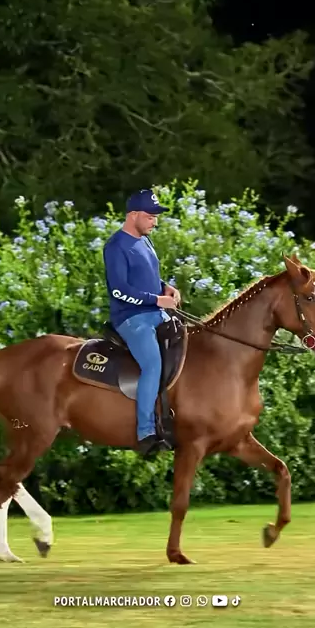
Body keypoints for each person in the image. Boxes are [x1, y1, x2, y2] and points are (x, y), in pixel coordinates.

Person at [102, 189, 181, 456]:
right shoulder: (116, 247)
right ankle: (145, 433)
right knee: (152, 364)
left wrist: (166, 287)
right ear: (133, 215)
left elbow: (147, 276)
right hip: (132, 318)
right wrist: (158, 300)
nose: (154, 222)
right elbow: (119, 290)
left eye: (156, 217)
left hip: (156, 311)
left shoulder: (145, 240)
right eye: (150, 216)